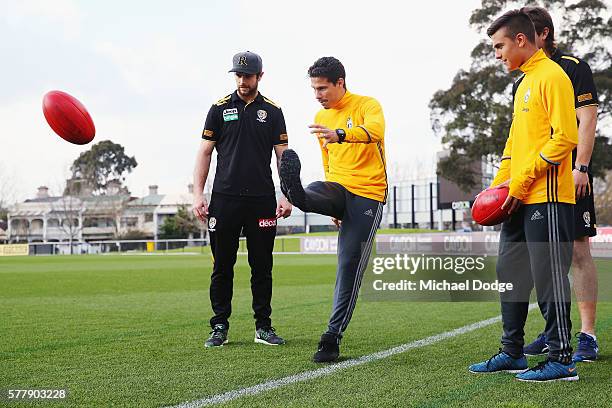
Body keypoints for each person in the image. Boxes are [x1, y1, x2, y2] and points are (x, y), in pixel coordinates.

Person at [468, 10, 579, 381]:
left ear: (520, 40)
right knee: (509, 272)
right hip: (516, 198)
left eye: (499, 46)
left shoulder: (552, 76)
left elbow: (565, 138)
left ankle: (562, 358)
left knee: (547, 276)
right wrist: (500, 187)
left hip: (546, 197)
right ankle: (512, 352)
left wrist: (521, 183)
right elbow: (514, 146)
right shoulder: (523, 85)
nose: (497, 54)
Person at [279, 57, 386, 363]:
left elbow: (375, 131)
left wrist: (340, 134)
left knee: (348, 266)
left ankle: (331, 336)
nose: (318, 95)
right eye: (314, 89)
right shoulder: (319, 115)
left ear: (340, 82)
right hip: (336, 189)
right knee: (311, 188)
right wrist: (330, 207)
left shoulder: (367, 105)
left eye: (323, 88)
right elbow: (328, 163)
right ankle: (297, 194)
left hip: (368, 195)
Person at [515, 6, 600, 363]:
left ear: (543, 33)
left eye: (524, 31)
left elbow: (587, 117)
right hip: (537, 180)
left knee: (578, 250)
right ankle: (554, 332)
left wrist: (581, 167)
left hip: (570, 174)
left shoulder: (572, 67)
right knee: (546, 258)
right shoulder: (522, 80)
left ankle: (587, 336)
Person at [192, 51, 292, 348]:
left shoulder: (273, 112)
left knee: (262, 267)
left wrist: (285, 195)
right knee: (222, 266)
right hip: (224, 200)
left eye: (248, 76)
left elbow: (283, 157)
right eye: (237, 75)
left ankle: (263, 327)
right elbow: (205, 152)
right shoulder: (219, 109)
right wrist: (198, 194)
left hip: (262, 200)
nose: (242, 80)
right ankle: (219, 326)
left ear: (260, 76)